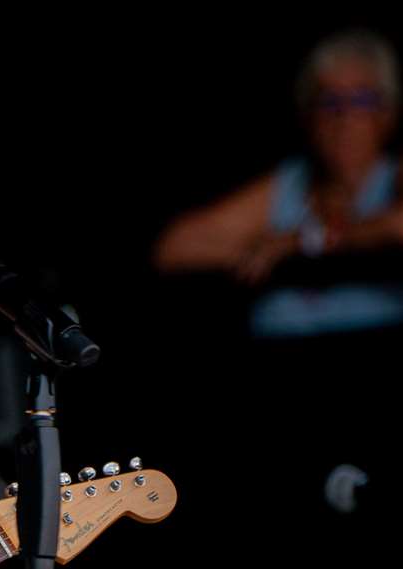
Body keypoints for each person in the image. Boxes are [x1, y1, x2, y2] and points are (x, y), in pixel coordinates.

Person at [153, 27, 403, 337]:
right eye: (329, 100)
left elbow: (398, 225)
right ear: (307, 114)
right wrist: (258, 248)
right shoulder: (291, 184)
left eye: (362, 100)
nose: (344, 116)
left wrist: (304, 242)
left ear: (388, 113)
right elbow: (176, 248)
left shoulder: (394, 176)